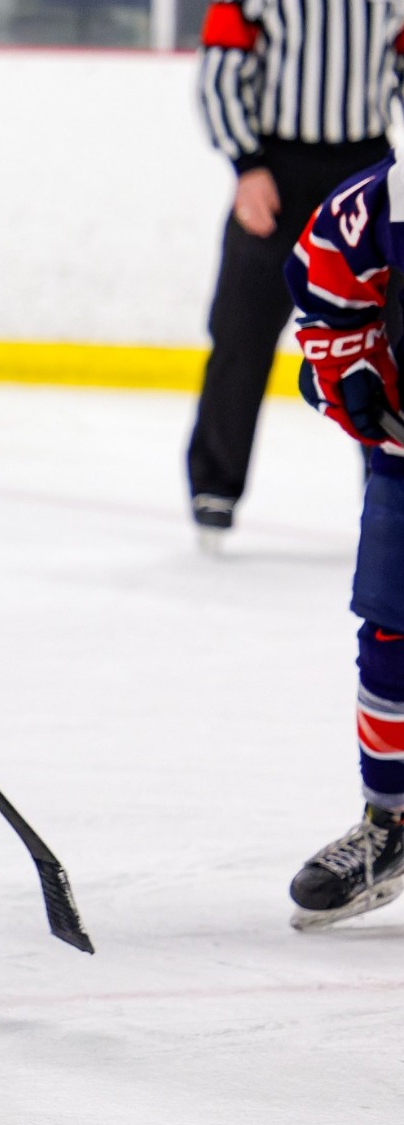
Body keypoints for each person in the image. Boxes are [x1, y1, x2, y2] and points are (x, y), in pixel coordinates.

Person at [188, 0, 399, 549]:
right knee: (241, 332)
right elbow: (219, 74)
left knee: (385, 337)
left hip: (366, 168)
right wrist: (247, 165)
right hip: (276, 170)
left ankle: (390, 485)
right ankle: (215, 486)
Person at [280, 154, 404, 930]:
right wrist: (348, 370)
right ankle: (390, 824)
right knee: (391, 631)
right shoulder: (378, 205)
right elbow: (328, 289)